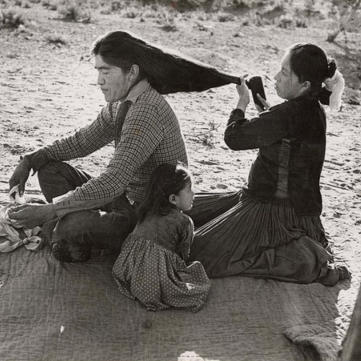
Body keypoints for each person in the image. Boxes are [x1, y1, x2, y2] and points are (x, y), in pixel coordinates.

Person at [7, 30, 239, 263]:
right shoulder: (122, 102)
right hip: (121, 197)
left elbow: (113, 180)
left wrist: (50, 210)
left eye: (106, 71)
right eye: (98, 71)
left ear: (132, 73)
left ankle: (65, 229)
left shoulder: (146, 111)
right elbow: (84, 140)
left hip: (144, 214)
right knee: (49, 169)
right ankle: (64, 226)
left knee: (71, 228)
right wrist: (32, 159)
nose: (99, 81)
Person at [188, 43, 350, 286]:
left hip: (274, 211)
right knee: (188, 212)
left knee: (197, 252)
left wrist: (241, 103)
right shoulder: (311, 108)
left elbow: (234, 138)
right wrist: (268, 114)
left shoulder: (287, 114)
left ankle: (303, 258)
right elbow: (290, 137)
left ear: (304, 85)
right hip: (284, 205)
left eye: (284, 73)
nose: (275, 77)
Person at [112, 163, 211, 312]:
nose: (194, 194)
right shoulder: (184, 222)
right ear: (173, 199)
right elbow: (183, 254)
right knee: (197, 278)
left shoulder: (146, 210)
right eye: (189, 190)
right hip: (153, 281)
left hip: (127, 270)